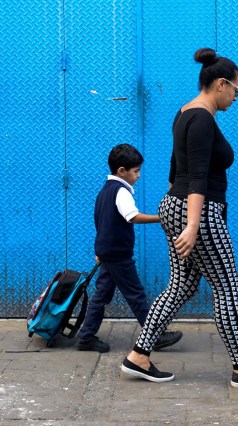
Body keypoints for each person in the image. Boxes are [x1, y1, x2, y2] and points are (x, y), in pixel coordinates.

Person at [120, 48, 238, 390]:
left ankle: (138, 355)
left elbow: (174, 168)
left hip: (178, 206)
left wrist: (175, 209)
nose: (237, 97)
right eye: (237, 90)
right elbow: (195, 175)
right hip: (199, 212)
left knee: (181, 286)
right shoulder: (202, 119)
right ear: (221, 84)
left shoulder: (185, 112)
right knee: (226, 287)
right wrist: (192, 225)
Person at [77, 143, 183, 353]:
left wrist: (99, 249)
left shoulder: (104, 191)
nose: (139, 175)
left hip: (107, 252)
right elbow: (132, 216)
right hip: (117, 255)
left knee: (101, 296)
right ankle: (155, 336)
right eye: (136, 171)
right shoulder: (121, 191)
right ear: (122, 171)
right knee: (136, 294)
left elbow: (100, 221)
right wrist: (161, 218)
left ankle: (86, 337)